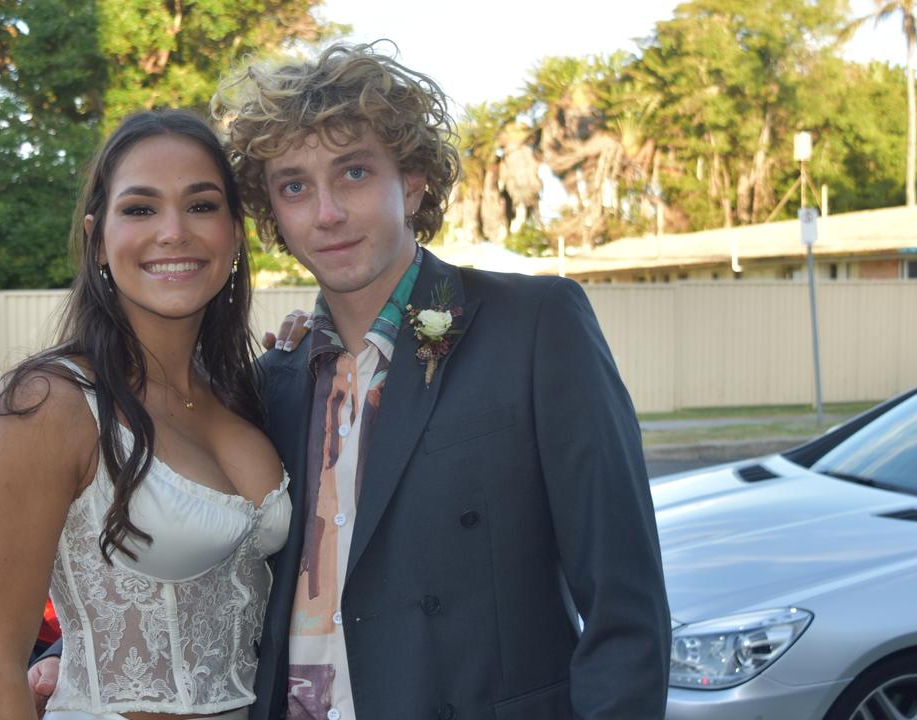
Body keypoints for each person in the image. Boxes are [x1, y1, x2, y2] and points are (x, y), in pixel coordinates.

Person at [33, 42, 671, 719]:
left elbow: (623, 609)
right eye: (294, 186)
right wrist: (73, 652)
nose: (327, 213)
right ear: (271, 213)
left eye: (355, 172)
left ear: (414, 181)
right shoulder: (270, 381)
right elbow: (215, 579)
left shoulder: (534, 328)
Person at [0, 109, 291, 720]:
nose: (173, 232)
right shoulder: (46, 406)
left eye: (201, 206)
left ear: (236, 233)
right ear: (98, 239)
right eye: (140, 208)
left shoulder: (246, 394)